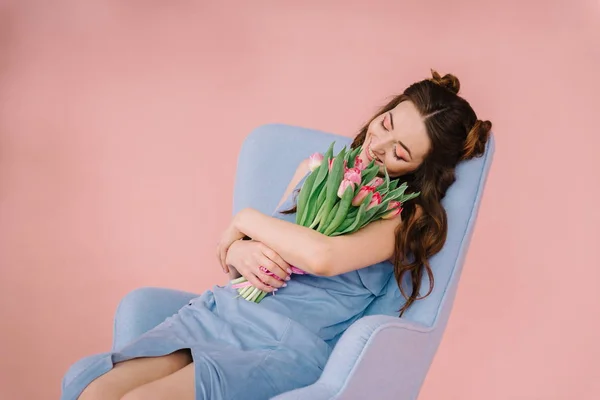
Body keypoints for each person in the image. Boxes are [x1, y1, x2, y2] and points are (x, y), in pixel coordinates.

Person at [62, 70, 492, 400]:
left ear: (420, 169)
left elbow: (322, 257)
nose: (379, 145)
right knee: (96, 393)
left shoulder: (399, 218)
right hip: (222, 313)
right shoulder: (314, 171)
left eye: (400, 152)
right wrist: (234, 249)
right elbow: (255, 254)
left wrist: (243, 220)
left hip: (281, 344)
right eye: (386, 124)